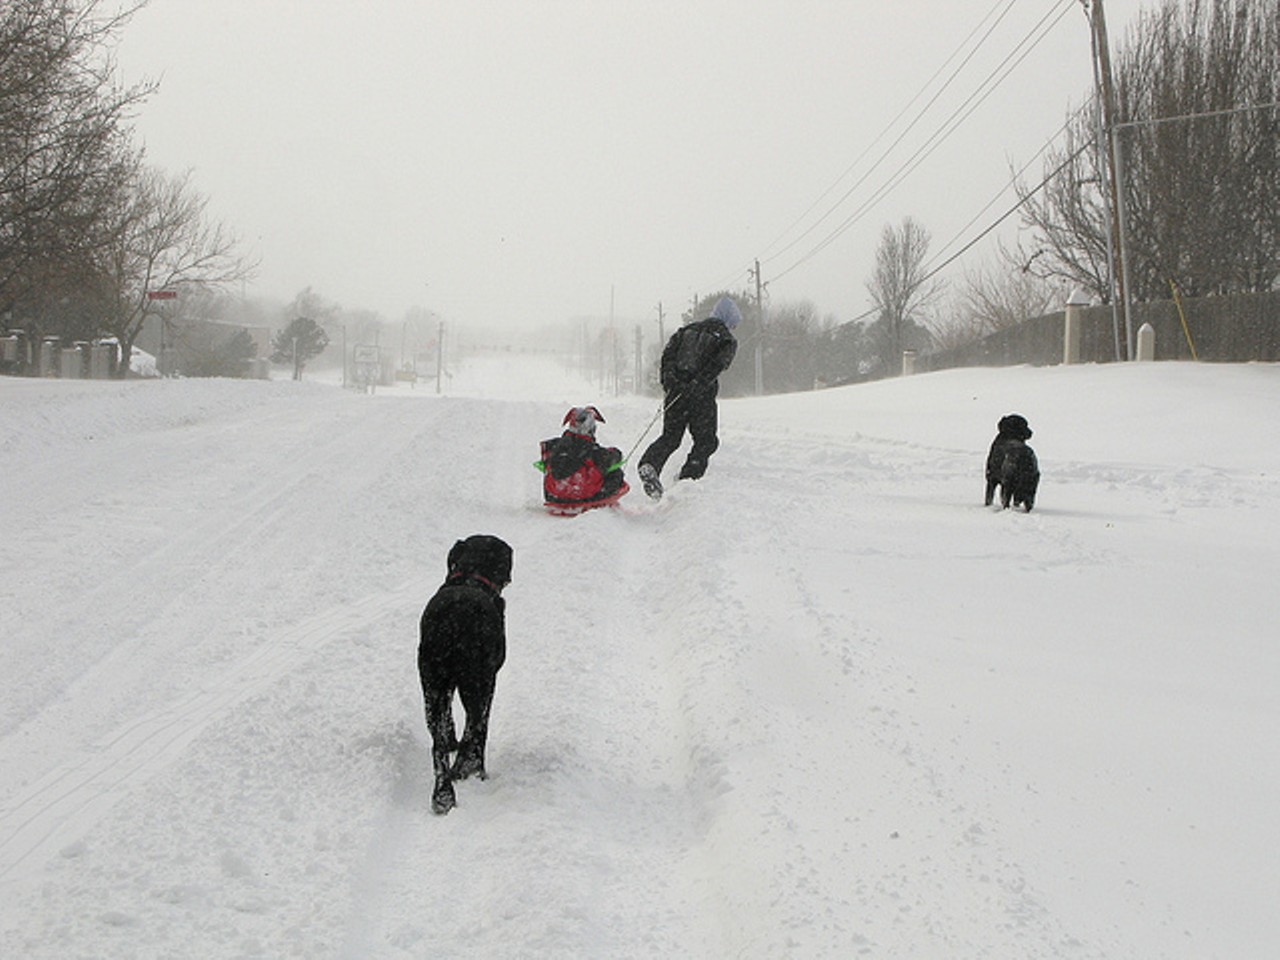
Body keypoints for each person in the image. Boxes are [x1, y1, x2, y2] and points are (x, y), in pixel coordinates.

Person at [637, 296, 740, 499]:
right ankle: (687, 481)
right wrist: (696, 385)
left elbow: (667, 357)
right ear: (729, 319)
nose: (733, 327)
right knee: (706, 441)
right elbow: (715, 366)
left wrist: (670, 382)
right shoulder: (726, 339)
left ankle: (650, 464)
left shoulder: (686, 331)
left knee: (671, 437)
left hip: (676, 393)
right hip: (701, 398)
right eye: (734, 323)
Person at [536, 405, 629, 512]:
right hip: (586, 497)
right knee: (615, 472)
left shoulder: (553, 446)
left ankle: (560, 495)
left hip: (554, 497)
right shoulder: (595, 451)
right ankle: (602, 500)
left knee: (549, 470)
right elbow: (615, 456)